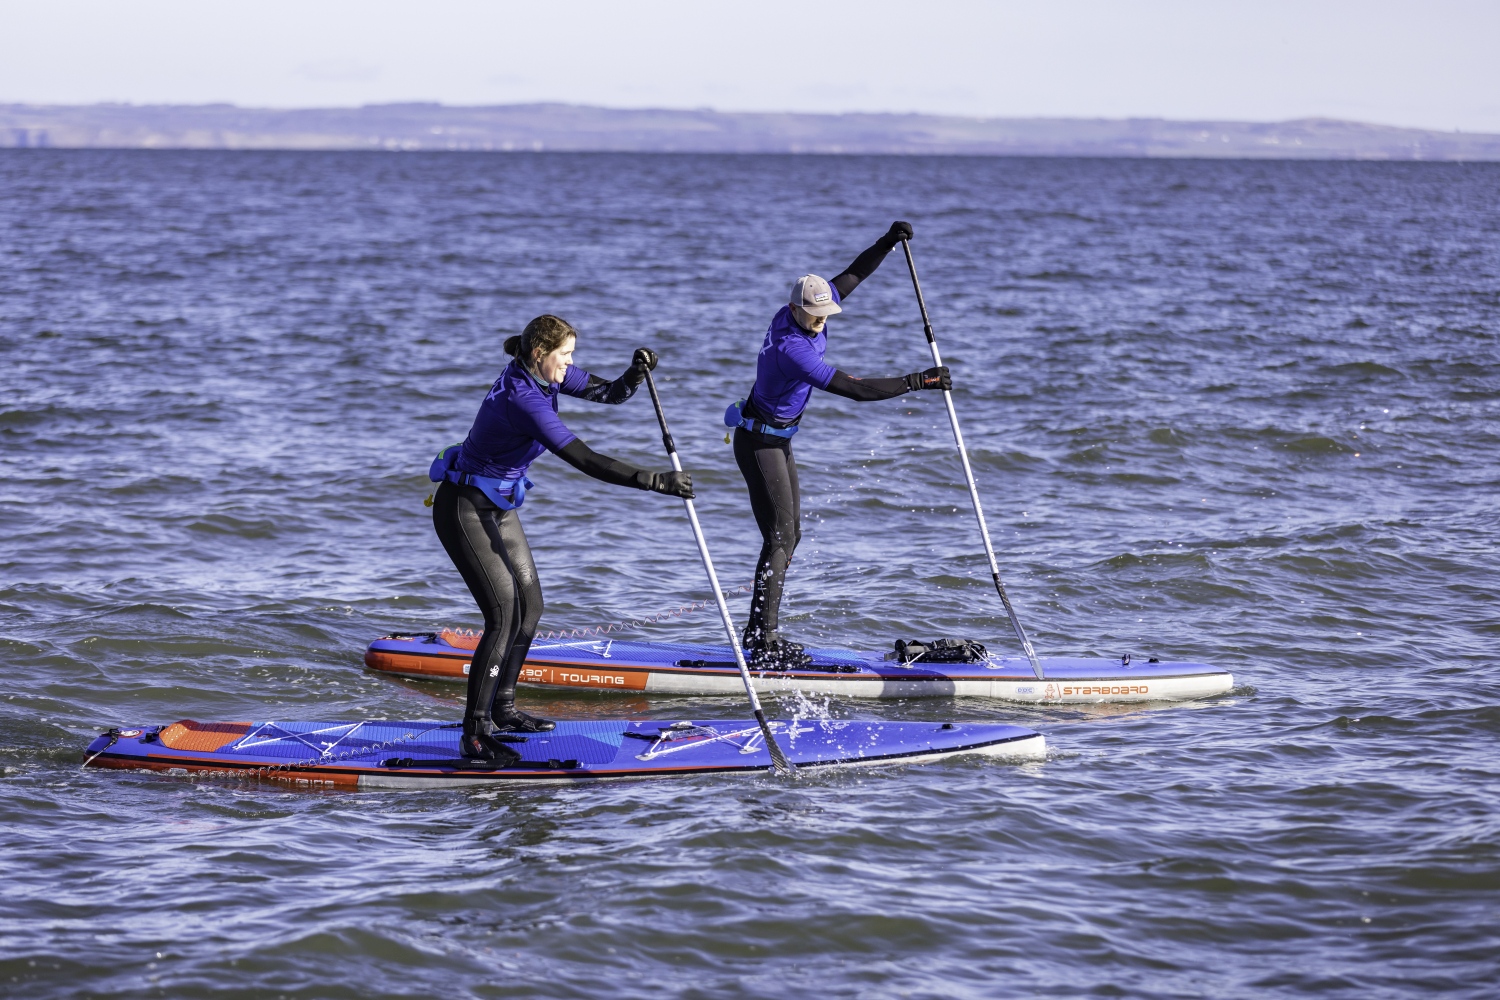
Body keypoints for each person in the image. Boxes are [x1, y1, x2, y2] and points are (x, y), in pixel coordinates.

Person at [430, 315, 693, 762]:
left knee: (530, 605)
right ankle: (474, 732)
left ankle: (504, 707)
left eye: (572, 355)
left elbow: (608, 393)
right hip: (464, 507)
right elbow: (585, 459)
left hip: (498, 504)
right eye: (565, 355)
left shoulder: (548, 374)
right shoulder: (523, 399)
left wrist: (633, 372)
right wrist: (654, 481)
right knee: (503, 611)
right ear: (539, 354)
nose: (570, 364)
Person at [731, 221, 951, 668]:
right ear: (796, 310)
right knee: (780, 536)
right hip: (758, 442)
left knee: (789, 534)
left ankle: (758, 631)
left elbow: (852, 275)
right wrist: (917, 381)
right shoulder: (794, 348)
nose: (822, 321)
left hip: (776, 438)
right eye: (816, 316)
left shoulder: (804, 308)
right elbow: (855, 389)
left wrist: (886, 243)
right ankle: (763, 641)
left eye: (826, 314)